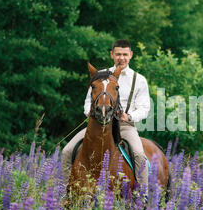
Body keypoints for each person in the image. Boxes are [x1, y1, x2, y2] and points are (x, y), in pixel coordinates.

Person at [61, 39, 150, 191]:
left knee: (139, 154)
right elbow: (88, 101)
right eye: (118, 54)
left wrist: (129, 116)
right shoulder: (100, 76)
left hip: (124, 126)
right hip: (97, 125)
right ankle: (67, 191)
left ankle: (142, 194)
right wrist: (89, 111)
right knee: (67, 151)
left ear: (131, 55)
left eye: (125, 54)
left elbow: (144, 108)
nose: (121, 58)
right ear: (112, 55)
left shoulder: (139, 80)